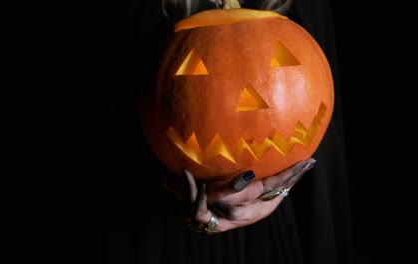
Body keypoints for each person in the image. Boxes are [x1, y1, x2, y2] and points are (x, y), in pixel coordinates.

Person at [106, 0, 355, 263]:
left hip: (277, 230)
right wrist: (169, 185)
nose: (251, 102)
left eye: (279, 62)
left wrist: (278, 191)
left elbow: (318, 112)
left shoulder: (307, 8)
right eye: (196, 70)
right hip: (148, 229)